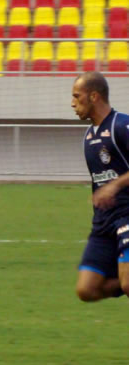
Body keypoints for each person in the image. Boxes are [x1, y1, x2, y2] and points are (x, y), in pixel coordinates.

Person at [72, 71, 129, 302]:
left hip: (127, 215)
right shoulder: (89, 137)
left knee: (128, 283)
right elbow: (100, 184)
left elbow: (110, 183)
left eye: (77, 96)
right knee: (86, 290)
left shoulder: (122, 125)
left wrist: (115, 186)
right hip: (104, 224)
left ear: (94, 96)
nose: (73, 103)